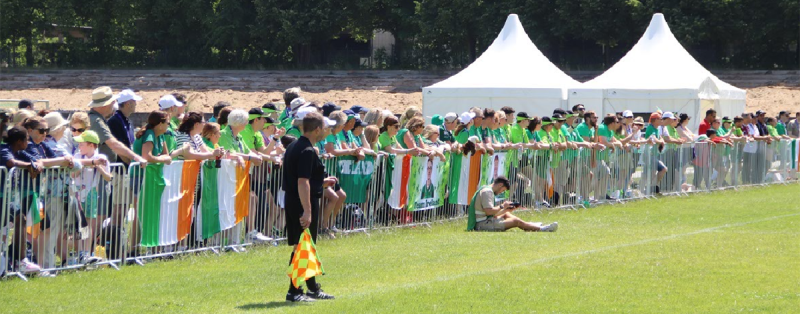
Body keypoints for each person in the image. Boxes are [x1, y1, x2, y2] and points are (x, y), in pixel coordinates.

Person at [282, 111, 337, 302]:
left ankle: (312, 289)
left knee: (307, 247)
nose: (326, 130)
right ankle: (294, 292)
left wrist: (321, 182)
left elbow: (303, 179)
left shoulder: (295, 146)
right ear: (317, 129)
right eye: (324, 127)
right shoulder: (306, 150)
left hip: (296, 200)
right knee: (301, 248)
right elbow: (301, 182)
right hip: (300, 202)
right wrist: (307, 210)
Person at [71, 130, 114, 265]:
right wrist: (83, 164)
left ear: (91, 145)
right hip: (77, 192)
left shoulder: (101, 157)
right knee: (77, 225)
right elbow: (73, 175)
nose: (79, 147)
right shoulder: (77, 156)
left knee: (89, 225)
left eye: (82, 144)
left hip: (91, 193)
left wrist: (98, 166)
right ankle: (78, 253)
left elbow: (109, 177)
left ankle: (87, 253)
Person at [467, 176, 558, 232]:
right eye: (502, 190)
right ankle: (542, 229)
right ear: (500, 185)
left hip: (484, 221)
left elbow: (490, 213)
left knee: (506, 213)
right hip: (482, 225)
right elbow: (488, 212)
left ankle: (528, 225)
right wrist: (503, 206)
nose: (501, 192)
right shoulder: (487, 192)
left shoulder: (487, 189)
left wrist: (506, 210)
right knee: (515, 222)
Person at [108, 89, 141, 164]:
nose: (136, 104)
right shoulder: (114, 121)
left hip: (126, 167)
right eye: (134, 101)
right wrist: (130, 164)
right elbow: (117, 148)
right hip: (119, 169)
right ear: (128, 104)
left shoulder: (127, 121)